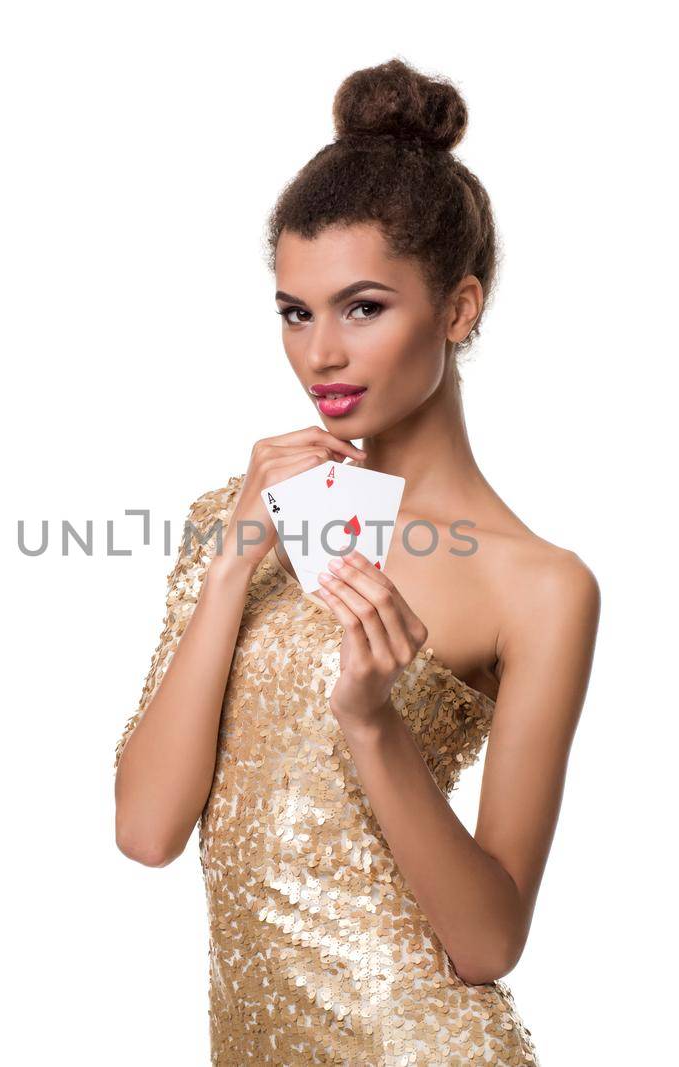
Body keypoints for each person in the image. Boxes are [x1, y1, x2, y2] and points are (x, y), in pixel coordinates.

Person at [112, 57, 600, 1065]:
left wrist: (373, 725)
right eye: (296, 310)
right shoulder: (237, 515)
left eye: (363, 306)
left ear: (458, 309)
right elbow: (148, 829)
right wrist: (230, 565)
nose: (320, 354)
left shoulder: (540, 584)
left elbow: (487, 941)